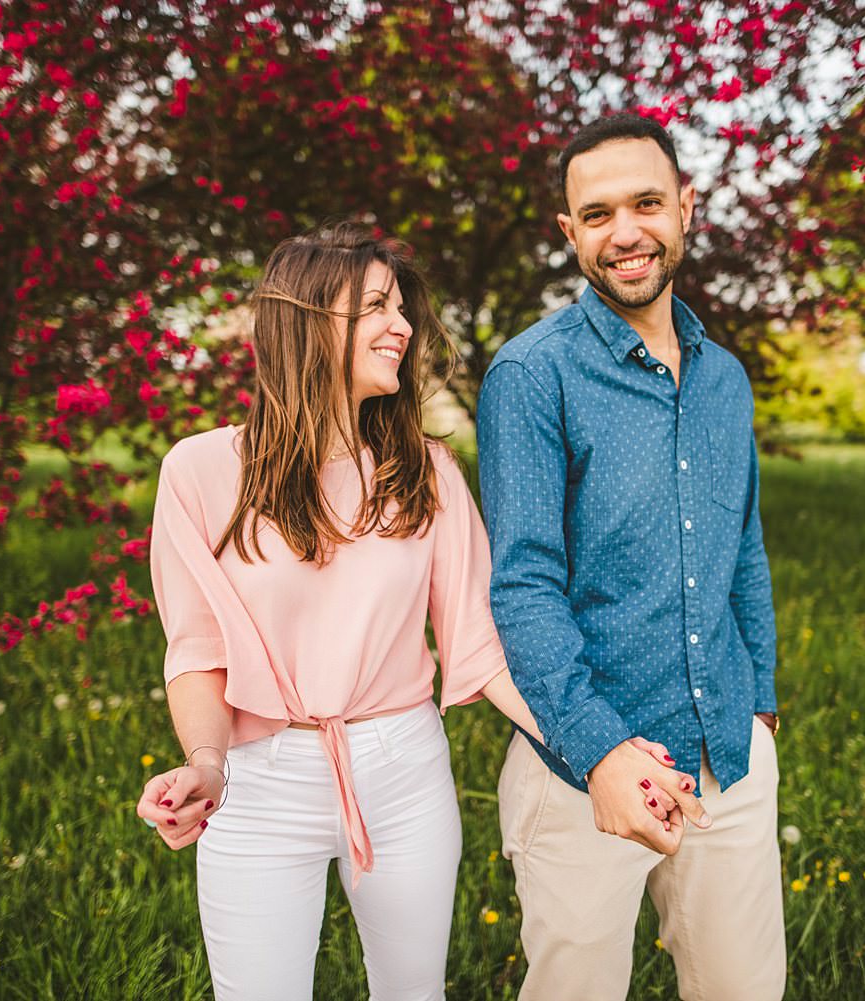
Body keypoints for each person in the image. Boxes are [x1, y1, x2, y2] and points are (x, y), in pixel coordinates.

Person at [134, 222, 671, 1001]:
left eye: (402, 306)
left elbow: (482, 650)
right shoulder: (200, 471)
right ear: (312, 320)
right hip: (258, 780)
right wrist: (207, 766)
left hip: (402, 772)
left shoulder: (427, 472)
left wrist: (602, 750)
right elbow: (197, 650)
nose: (404, 327)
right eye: (378, 306)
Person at [477, 114, 786, 1001]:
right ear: (570, 233)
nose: (626, 232)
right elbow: (524, 584)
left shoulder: (724, 377)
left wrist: (760, 706)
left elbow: (745, 547)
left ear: (685, 207)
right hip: (584, 768)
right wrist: (601, 750)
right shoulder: (532, 376)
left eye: (646, 203)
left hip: (726, 751)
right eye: (598, 212)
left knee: (744, 990)